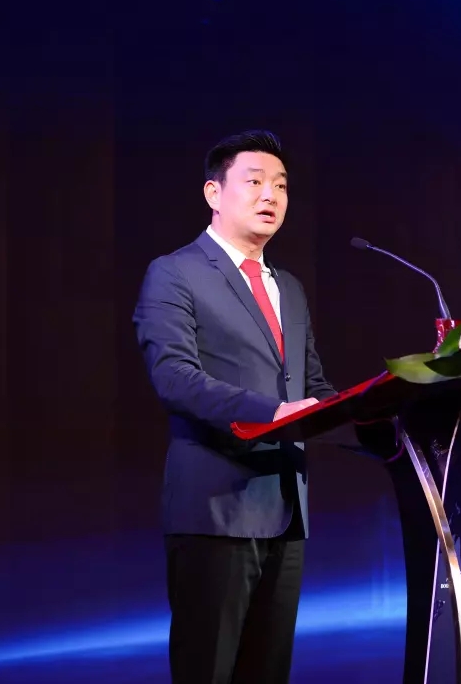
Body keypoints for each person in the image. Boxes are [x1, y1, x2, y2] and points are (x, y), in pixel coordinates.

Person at [133, 129, 337, 683]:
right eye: (254, 182)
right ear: (213, 193)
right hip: (216, 509)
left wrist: (383, 417)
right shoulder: (175, 272)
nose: (271, 195)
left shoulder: (288, 287)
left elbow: (312, 385)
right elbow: (174, 377)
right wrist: (270, 412)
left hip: (286, 509)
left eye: (281, 185)